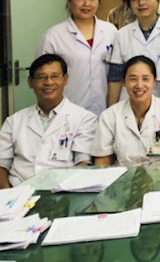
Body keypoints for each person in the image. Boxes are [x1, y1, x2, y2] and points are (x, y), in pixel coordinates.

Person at [0, 54, 97, 187]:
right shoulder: (13, 122)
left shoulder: (84, 119)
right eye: (41, 77)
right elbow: (2, 165)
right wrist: (9, 194)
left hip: (63, 193)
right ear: (30, 82)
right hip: (19, 191)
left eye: (55, 76)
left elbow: (83, 163)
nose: (49, 82)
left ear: (65, 79)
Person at [37, 0, 118, 116]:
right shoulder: (53, 36)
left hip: (105, 112)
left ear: (99, 1)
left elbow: (118, 74)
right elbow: (42, 77)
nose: (87, 4)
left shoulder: (111, 31)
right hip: (66, 113)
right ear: (69, 1)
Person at [93, 56, 160, 166]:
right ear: (124, 82)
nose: (139, 85)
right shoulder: (109, 116)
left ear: (154, 82)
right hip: (122, 174)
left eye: (145, 79)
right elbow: (102, 162)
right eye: (133, 79)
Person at [107, 0, 160, 106]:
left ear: (157, 0)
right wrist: (111, 109)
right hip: (128, 102)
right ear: (130, 4)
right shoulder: (121, 35)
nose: (141, 3)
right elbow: (115, 77)